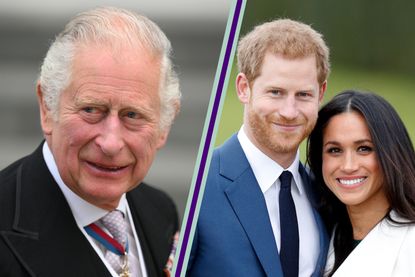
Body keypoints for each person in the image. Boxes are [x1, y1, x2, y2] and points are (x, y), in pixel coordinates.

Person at [0, 7, 181, 277]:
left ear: (164, 125)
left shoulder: (160, 211)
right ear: (47, 107)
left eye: (132, 115)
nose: (110, 143)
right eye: (91, 110)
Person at [187, 19, 330, 276]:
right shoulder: (198, 184)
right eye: (275, 92)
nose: (289, 111)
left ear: (321, 93)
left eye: (303, 95)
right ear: (244, 88)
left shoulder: (326, 195)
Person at [307, 90, 415, 276]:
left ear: (391, 153)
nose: (348, 166)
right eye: (334, 150)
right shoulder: (322, 236)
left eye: (364, 149)